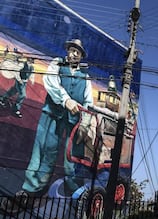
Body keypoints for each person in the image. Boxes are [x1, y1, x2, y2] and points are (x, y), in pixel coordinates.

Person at [19, 39, 93, 199]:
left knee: (74, 156)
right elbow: (50, 81)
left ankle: (75, 192)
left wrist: (85, 124)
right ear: (68, 51)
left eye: (77, 52)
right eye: (72, 50)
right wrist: (66, 100)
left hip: (74, 121)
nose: (74, 54)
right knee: (45, 149)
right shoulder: (57, 64)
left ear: (81, 56)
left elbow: (88, 102)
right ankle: (32, 189)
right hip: (52, 114)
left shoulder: (85, 77)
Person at [0, 50, 35, 118]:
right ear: (28, 59)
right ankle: (15, 109)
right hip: (20, 81)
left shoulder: (31, 67)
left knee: (13, 91)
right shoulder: (22, 64)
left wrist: (32, 80)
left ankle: (3, 98)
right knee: (22, 95)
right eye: (31, 59)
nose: (32, 61)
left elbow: (32, 74)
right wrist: (19, 80)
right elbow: (16, 72)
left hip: (24, 82)